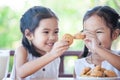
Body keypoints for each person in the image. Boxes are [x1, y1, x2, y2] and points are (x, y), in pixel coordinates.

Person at [11, 6, 69, 80]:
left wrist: (53, 55)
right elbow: (21, 73)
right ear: (29, 34)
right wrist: (51, 55)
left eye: (56, 32)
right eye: (46, 32)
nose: (53, 37)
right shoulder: (23, 51)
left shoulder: (55, 56)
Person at [74, 6, 120, 78]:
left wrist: (97, 48)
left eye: (98, 32)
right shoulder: (79, 64)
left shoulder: (117, 59)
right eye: (88, 32)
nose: (93, 38)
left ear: (115, 34)